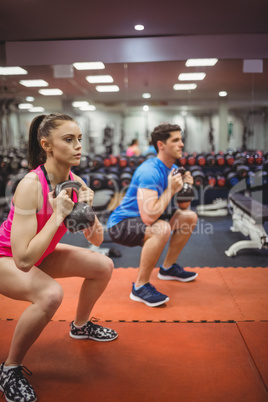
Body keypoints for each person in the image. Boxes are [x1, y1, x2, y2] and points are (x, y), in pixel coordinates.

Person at [0, 113, 117, 402]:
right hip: (7, 258)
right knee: (51, 294)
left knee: (103, 265)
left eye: (79, 139)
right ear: (47, 145)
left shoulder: (75, 181)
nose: (78, 146)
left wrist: (90, 212)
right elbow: (23, 260)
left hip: (42, 253)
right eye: (69, 139)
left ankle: (80, 327)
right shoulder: (29, 185)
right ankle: (9, 369)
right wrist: (59, 216)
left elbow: (97, 241)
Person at [107, 123, 198, 307]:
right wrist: (171, 189)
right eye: (176, 140)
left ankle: (168, 268)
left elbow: (184, 205)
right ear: (161, 145)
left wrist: (187, 187)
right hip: (121, 224)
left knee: (189, 217)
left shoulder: (173, 169)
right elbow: (148, 217)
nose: (181, 144)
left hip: (146, 218)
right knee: (161, 228)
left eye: (181, 139)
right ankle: (140, 287)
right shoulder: (150, 171)